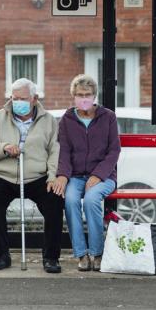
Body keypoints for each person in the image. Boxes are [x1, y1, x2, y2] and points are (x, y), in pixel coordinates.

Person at [0, 78, 64, 273]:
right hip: (4, 175)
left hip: (37, 176)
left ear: (34, 98)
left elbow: (54, 151)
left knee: (55, 201)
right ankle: (1, 255)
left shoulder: (49, 120)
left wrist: (52, 176)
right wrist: (4, 148)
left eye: (23, 98)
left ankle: (51, 257)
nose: (17, 102)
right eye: (14, 98)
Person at [52, 74, 120, 272]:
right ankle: (81, 254)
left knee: (91, 200)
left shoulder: (108, 117)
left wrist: (98, 175)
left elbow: (114, 150)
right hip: (75, 175)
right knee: (70, 201)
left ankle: (97, 253)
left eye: (88, 94)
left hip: (104, 176)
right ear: (73, 96)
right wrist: (63, 175)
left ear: (94, 95)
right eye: (80, 94)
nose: (84, 98)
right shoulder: (66, 120)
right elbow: (63, 150)